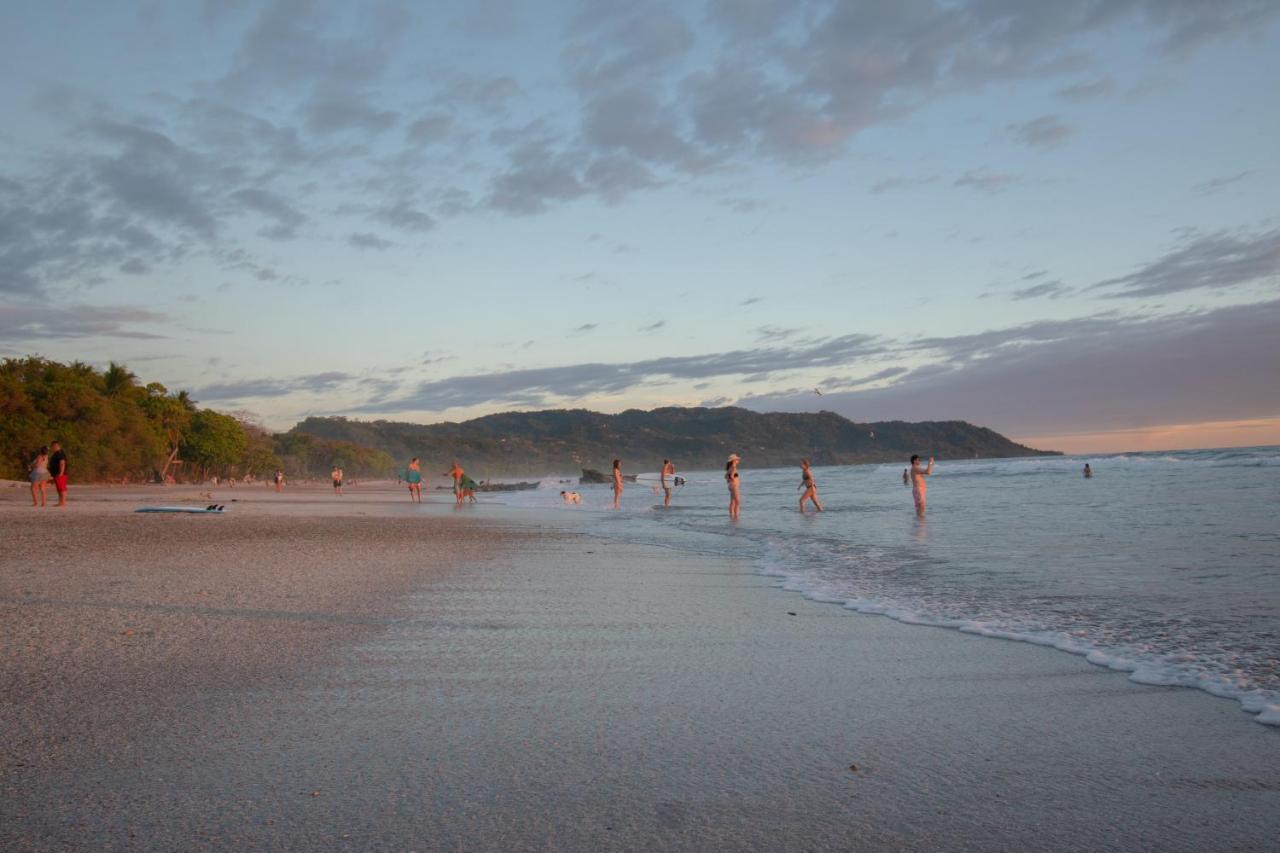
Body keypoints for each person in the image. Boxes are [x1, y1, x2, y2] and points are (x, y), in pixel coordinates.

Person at [48, 440, 68, 507]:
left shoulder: (60, 453)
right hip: (56, 474)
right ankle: (60, 502)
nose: (52, 448)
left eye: (53, 446)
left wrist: (61, 473)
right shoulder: (56, 453)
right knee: (59, 489)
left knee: (62, 488)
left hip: (60, 474)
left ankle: (63, 503)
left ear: (56, 446)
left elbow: (62, 463)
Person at [725, 453, 741, 520]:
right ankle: (736, 517)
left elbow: (725, 476)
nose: (738, 460)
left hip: (731, 485)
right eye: (737, 459)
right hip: (734, 486)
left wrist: (729, 480)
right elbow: (731, 476)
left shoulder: (730, 467)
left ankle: (732, 516)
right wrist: (733, 480)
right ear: (734, 460)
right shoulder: (733, 467)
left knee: (733, 501)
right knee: (738, 502)